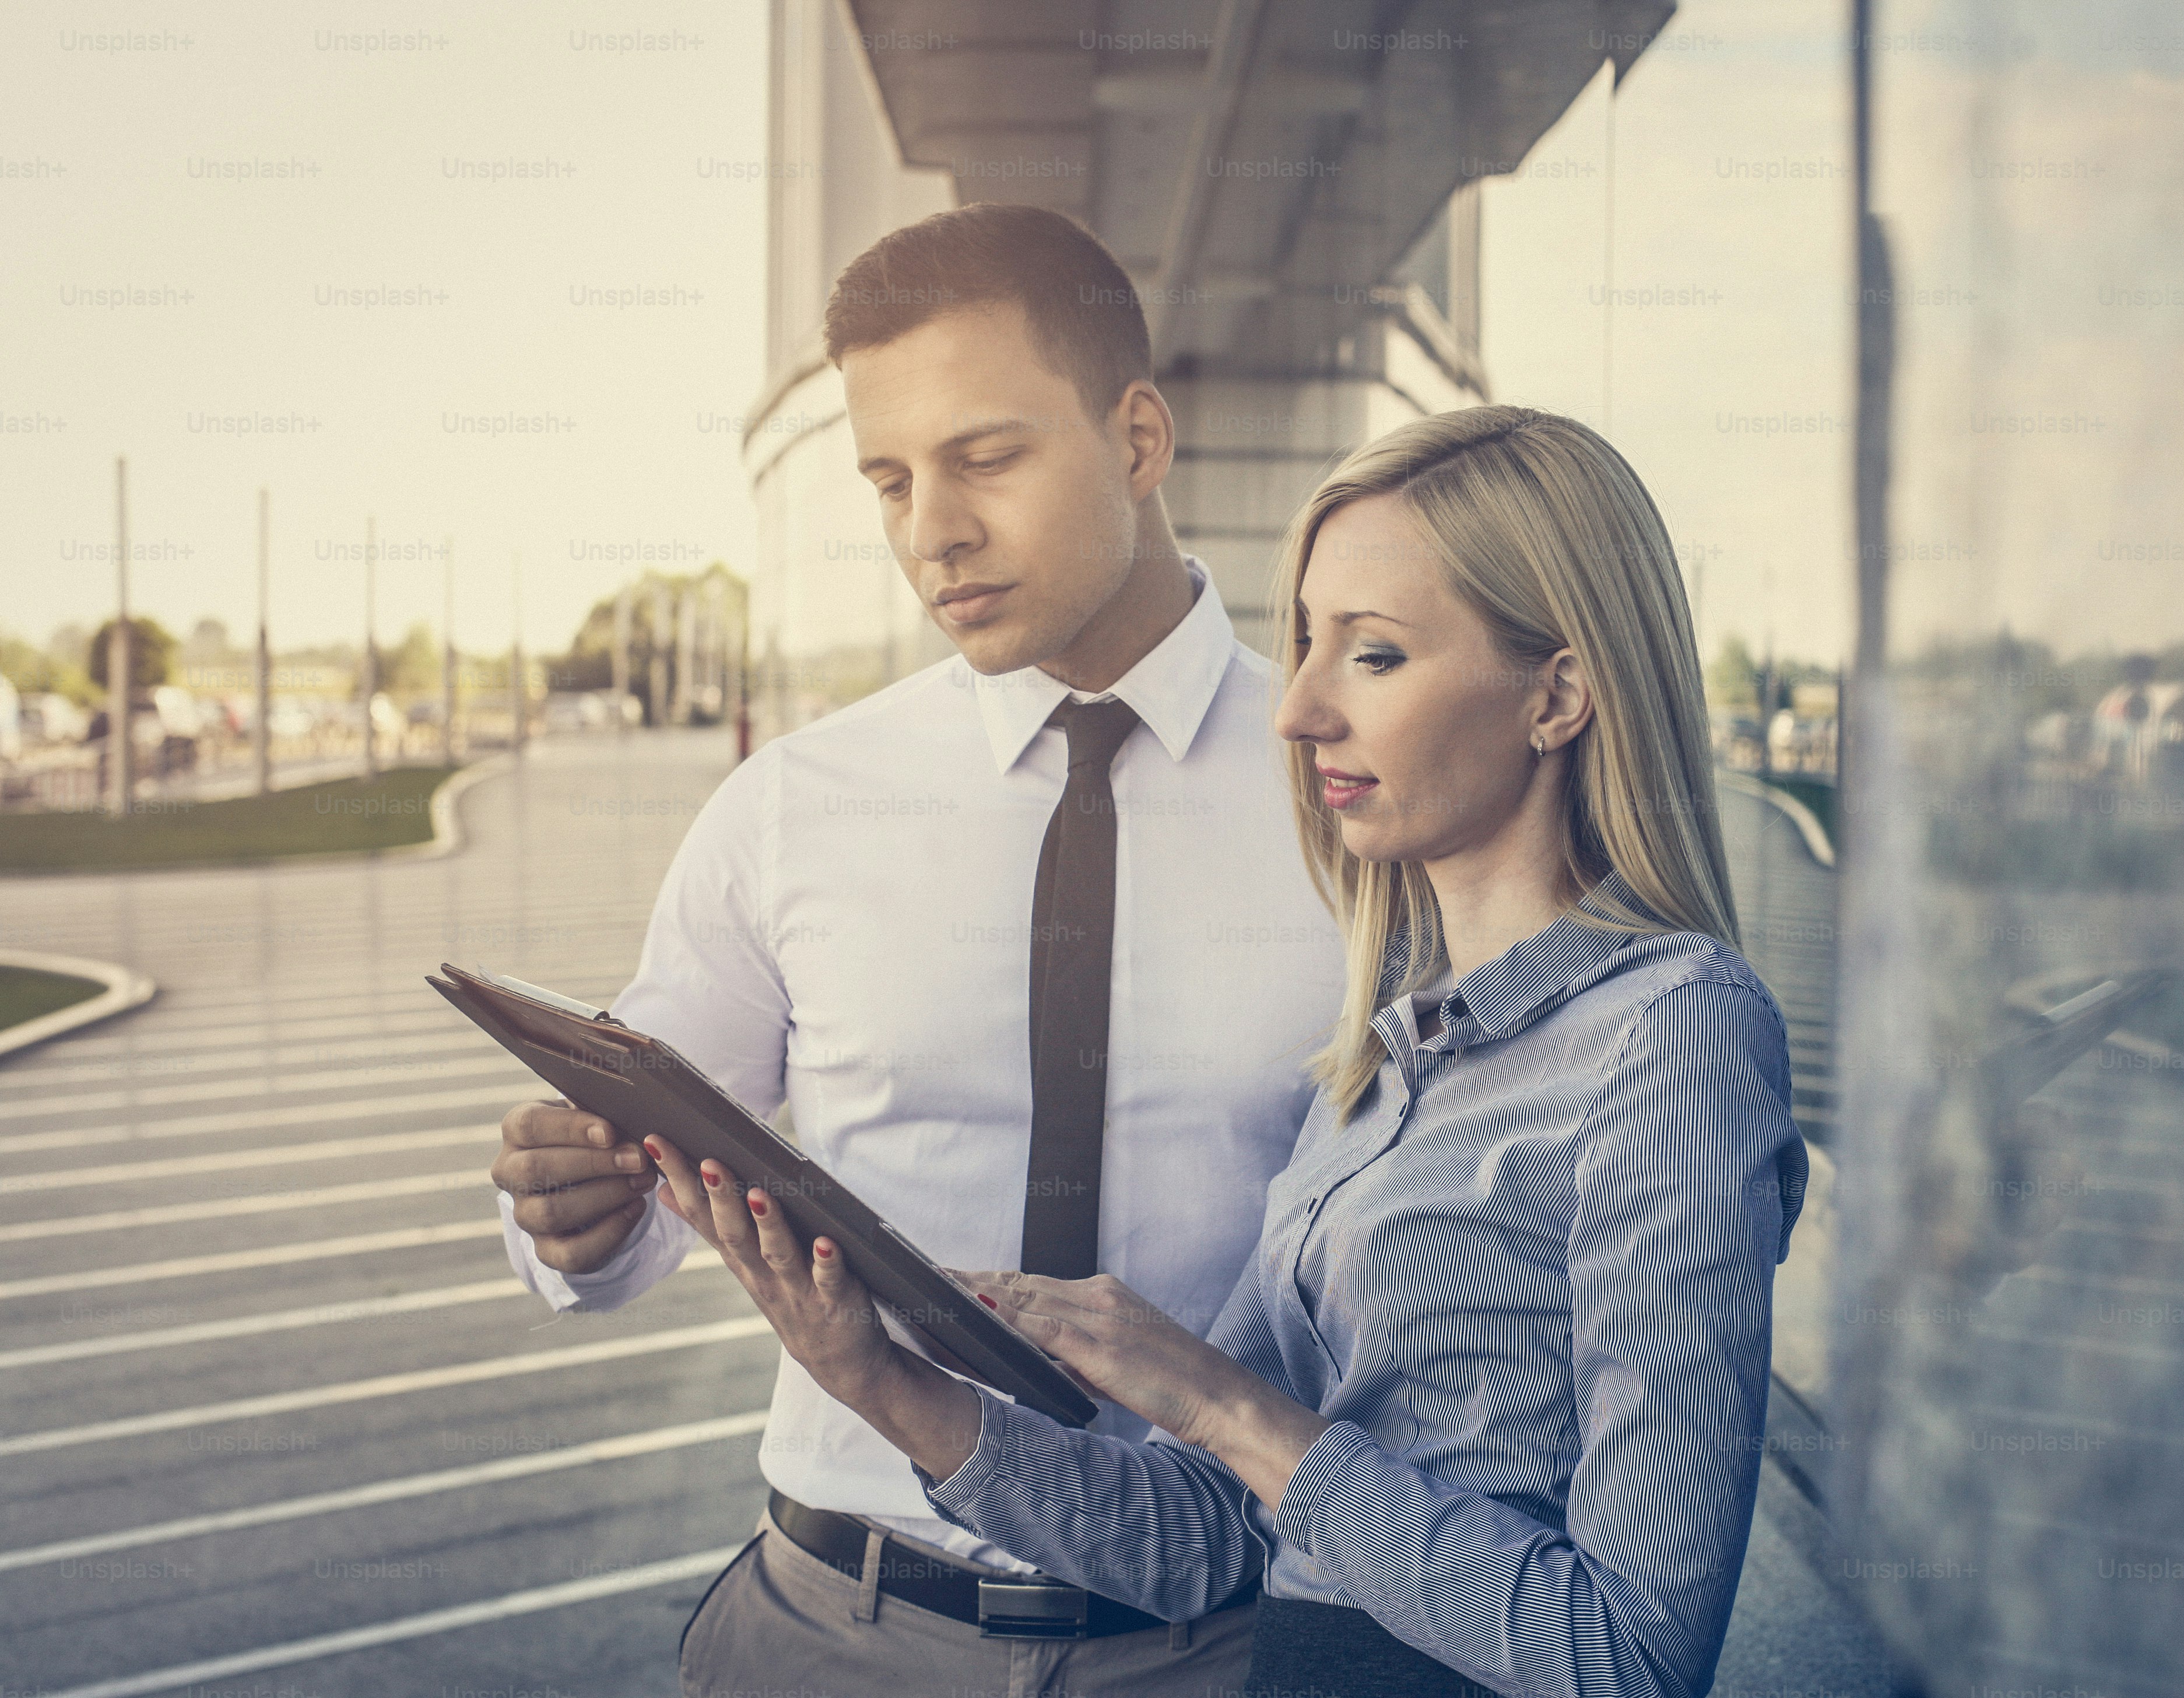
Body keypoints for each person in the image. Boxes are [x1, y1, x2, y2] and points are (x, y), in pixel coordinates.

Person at [646, 406, 1813, 1698]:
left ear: (1558, 694)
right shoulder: (1388, 1048)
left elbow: (1632, 1656)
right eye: (1303, 643)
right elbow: (1206, 1539)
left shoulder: (1677, 1030)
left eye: (1373, 654)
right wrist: (877, 1379)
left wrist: (1230, 1407)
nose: (1298, 708)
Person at [487, 204, 1347, 1697]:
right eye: (889, 480)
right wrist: (575, 1213)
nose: (929, 531)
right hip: (839, 1628)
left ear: (1140, 439)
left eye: (986, 458)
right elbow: (622, 1209)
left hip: (1223, 1641)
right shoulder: (793, 809)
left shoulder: (1349, 799)